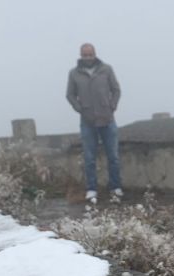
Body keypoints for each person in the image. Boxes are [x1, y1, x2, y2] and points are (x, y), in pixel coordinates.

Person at [66, 43, 123, 202]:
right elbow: (70, 95)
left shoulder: (106, 69)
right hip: (87, 120)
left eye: (90, 54)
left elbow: (116, 90)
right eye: (85, 55)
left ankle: (116, 187)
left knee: (113, 156)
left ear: (95, 54)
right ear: (81, 55)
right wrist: (80, 109)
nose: (88, 57)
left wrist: (112, 106)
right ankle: (91, 189)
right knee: (89, 157)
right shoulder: (74, 73)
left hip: (107, 119)